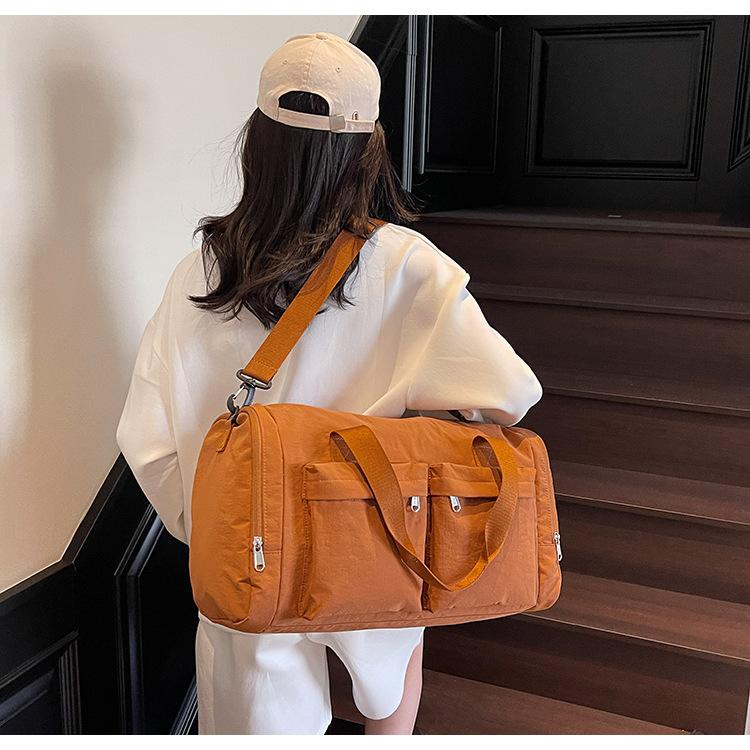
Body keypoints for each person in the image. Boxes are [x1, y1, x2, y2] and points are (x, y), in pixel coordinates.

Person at [116, 31, 543, 736]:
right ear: (368, 148)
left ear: (257, 141)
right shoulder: (405, 266)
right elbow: (508, 395)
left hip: (248, 554)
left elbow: (148, 438)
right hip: (373, 538)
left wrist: (212, 522)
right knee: (397, 647)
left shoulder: (201, 272)